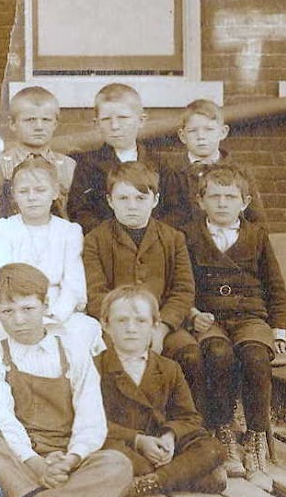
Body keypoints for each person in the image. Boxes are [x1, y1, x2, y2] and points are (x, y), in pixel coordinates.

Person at [0, 263, 132, 497]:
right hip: (19, 461)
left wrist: (71, 459)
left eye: (28, 309)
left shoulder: (72, 351)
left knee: (117, 463)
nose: (18, 321)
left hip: (64, 460)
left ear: (45, 305)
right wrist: (36, 464)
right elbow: (2, 421)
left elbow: (91, 418)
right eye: (7, 312)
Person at [182, 164, 286, 491]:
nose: (222, 203)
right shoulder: (189, 235)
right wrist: (191, 313)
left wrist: (280, 329)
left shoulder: (256, 236)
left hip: (249, 317)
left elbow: (275, 285)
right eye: (214, 196)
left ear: (244, 202)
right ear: (201, 201)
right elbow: (182, 283)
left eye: (230, 197)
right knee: (217, 353)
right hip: (210, 318)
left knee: (256, 356)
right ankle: (224, 429)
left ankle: (256, 438)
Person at [82, 161, 202, 405]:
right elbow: (95, 294)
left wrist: (161, 328)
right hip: (116, 327)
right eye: (123, 198)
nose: (132, 206)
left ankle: (190, 423)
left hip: (162, 325)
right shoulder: (96, 240)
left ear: (155, 200)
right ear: (110, 201)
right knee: (106, 357)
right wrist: (123, 326)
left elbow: (183, 290)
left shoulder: (173, 238)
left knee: (189, 354)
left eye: (140, 198)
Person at [96, 285, 227, 497]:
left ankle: (151, 482)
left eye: (141, 321)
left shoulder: (168, 368)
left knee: (213, 447)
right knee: (106, 454)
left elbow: (189, 417)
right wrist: (138, 440)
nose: (131, 328)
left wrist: (169, 436)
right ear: (106, 325)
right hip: (124, 445)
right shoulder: (95, 367)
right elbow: (90, 423)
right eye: (121, 321)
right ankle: (182, 476)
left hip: (160, 446)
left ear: (155, 325)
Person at [0, 157, 102, 355]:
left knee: (86, 329)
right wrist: (27, 314)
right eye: (24, 191)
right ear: (14, 195)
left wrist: (54, 315)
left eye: (40, 190)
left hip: (59, 308)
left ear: (55, 192)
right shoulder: (3, 230)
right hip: (16, 309)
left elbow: (74, 285)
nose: (32, 197)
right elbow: (0, 278)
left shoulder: (69, 231)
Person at [67, 83, 188, 233]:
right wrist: (115, 237)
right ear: (96, 124)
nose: (115, 126)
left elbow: (176, 210)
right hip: (107, 245)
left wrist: (149, 235)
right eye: (106, 119)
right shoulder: (88, 165)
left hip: (154, 244)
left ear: (141, 121)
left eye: (123, 117)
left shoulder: (161, 164)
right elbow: (80, 212)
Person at [168, 98, 267, 224]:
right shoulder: (171, 172)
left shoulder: (240, 172)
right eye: (193, 131)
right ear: (182, 136)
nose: (201, 137)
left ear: (223, 132)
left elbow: (257, 220)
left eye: (209, 130)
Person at [0, 86, 75, 222]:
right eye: (30, 120)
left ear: (55, 124)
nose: (39, 126)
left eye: (46, 120)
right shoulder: (0, 165)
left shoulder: (68, 165)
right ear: (13, 124)